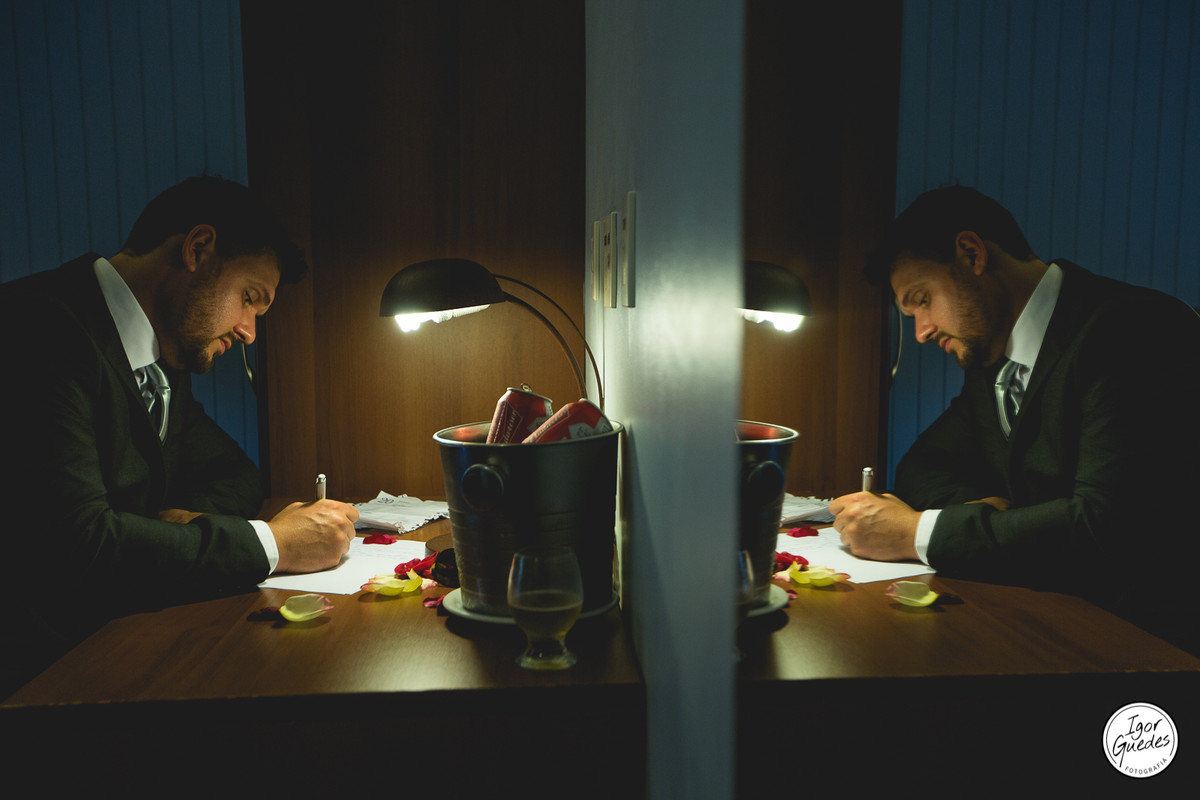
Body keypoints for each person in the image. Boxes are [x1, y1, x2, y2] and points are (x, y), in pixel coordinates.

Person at [0, 177, 360, 694]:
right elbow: (80, 550)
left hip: (117, 645)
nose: (249, 332)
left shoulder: (162, 358)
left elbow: (236, 475)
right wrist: (274, 544)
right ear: (198, 249)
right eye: (249, 299)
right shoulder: (39, 329)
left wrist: (172, 526)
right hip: (38, 686)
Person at [830, 186, 1200, 653]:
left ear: (971, 254)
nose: (921, 332)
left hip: (1153, 648)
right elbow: (920, 469)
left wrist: (916, 533)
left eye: (922, 300)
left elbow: (1105, 529)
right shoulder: (994, 357)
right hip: (1052, 622)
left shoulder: (1132, 330)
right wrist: (994, 515)